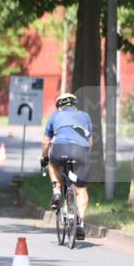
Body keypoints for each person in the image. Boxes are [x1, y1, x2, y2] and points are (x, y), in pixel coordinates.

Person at [40, 92, 93, 240]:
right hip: (81, 151)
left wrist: (44, 158)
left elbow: (46, 142)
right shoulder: (85, 116)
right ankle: (81, 224)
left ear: (59, 106)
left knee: (52, 164)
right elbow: (90, 142)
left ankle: (57, 191)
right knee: (81, 189)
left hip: (60, 149)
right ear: (75, 105)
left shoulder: (54, 116)